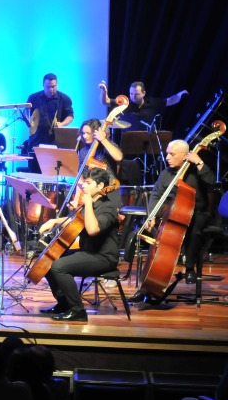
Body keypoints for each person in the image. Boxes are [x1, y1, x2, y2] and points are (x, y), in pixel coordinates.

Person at [37, 167, 120, 322]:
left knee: (59, 266)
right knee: (48, 261)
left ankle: (78, 311)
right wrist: (54, 221)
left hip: (103, 257)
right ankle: (64, 303)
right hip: (89, 253)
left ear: (101, 186)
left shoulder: (107, 208)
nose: (84, 186)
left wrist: (88, 203)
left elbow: (93, 229)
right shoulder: (91, 204)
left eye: (88, 183)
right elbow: (76, 222)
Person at [136, 139, 215, 290]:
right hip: (173, 213)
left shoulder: (195, 170)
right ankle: (157, 273)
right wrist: (152, 215)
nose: (167, 157)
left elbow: (212, 182)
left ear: (185, 155)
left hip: (198, 212)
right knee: (158, 231)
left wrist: (199, 162)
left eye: (172, 154)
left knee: (195, 227)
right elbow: (156, 195)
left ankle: (190, 267)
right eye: (167, 153)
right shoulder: (166, 173)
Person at [25, 73, 74, 172]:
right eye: (48, 87)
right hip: (36, 141)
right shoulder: (33, 98)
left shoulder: (64, 99)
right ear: (43, 85)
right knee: (34, 173)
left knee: (51, 173)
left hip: (54, 142)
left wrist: (62, 124)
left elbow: (70, 116)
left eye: (53, 86)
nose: (51, 89)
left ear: (57, 84)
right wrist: (28, 121)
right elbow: (27, 114)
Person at [99, 80, 188, 130]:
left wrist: (180, 94)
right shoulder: (125, 103)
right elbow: (105, 101)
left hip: (149, 141)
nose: (133, 96)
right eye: (131, 94)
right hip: (129, 142)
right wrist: (104, 91)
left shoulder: (153, 102)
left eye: (136, 94)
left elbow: (170, 100)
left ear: (143, 93)